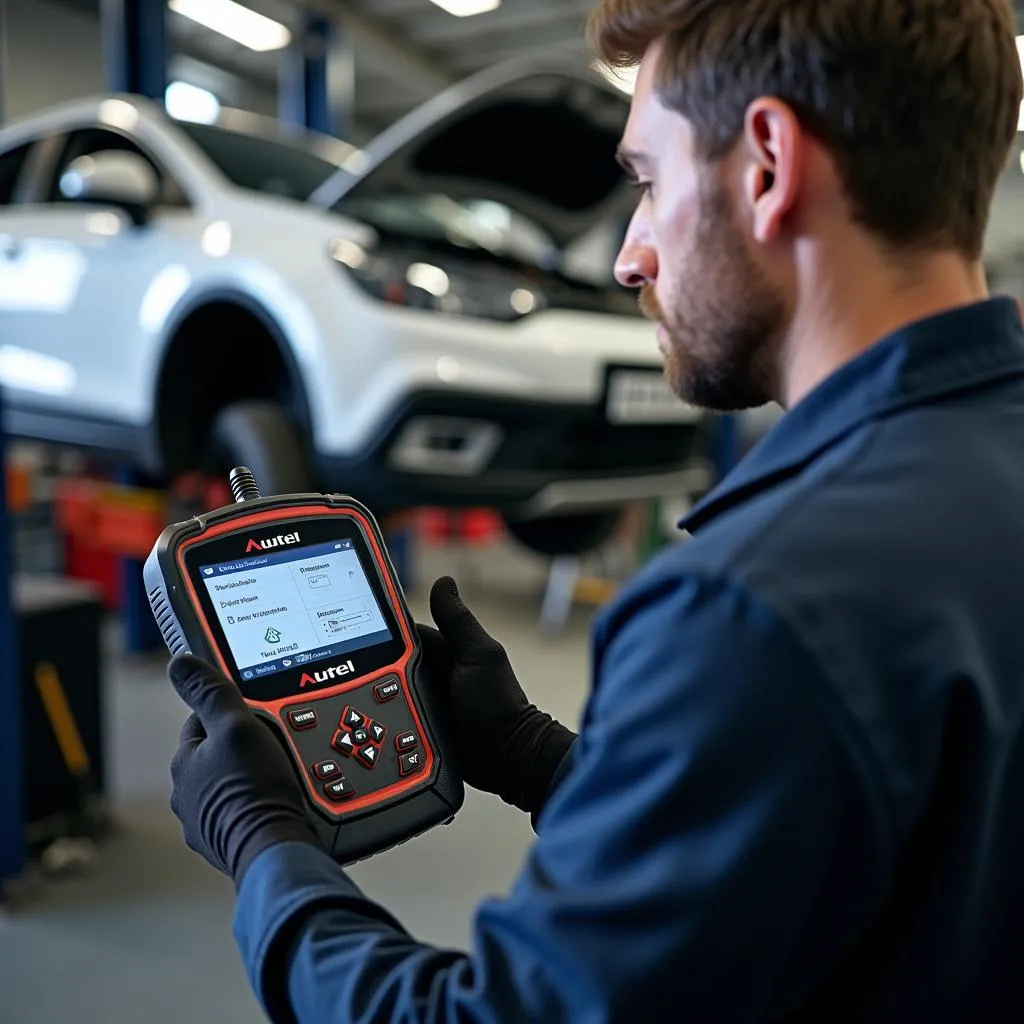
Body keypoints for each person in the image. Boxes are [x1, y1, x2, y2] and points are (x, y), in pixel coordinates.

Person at [167, 1, 1024, 1020]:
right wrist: (540, 758)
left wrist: (265, 848)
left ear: (766, 165)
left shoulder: (757, 606)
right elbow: (840, 849)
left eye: (649, 183)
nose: (626, 257)